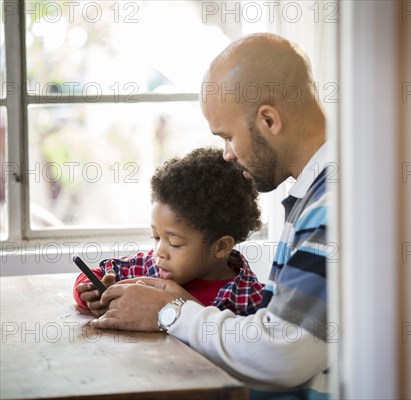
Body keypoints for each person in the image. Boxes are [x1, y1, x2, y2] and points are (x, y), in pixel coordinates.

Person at [91, 33, 332, 397]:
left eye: (228, 137)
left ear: (269, 120)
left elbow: (283, 356)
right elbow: (277, 334)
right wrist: (185, 306)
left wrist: (169, 312)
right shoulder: (315, 193)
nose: (227, 155)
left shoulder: (333, 203)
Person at [75, 147, 264, 317]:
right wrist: (93, 294)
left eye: (174, 243)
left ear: (220, 247)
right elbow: (95, 274)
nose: (159, 252)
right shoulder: (152, 268)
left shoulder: (250, 300)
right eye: (156, 237)